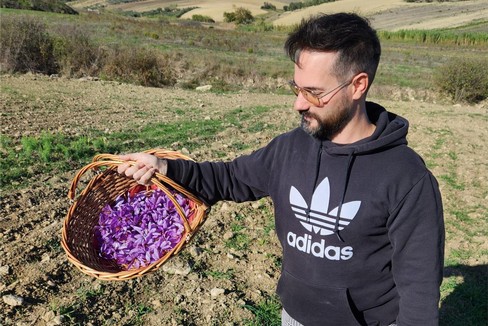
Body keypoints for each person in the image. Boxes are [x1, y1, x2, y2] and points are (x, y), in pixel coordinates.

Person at [117, 13, 445, 326]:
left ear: (358, 85)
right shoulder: (289, 148)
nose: (298, 104)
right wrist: (165, 168)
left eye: (313, 93)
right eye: (296, 88)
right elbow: (228, 179)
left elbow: (419, 281)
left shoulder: (406, 177)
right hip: (296, 316)